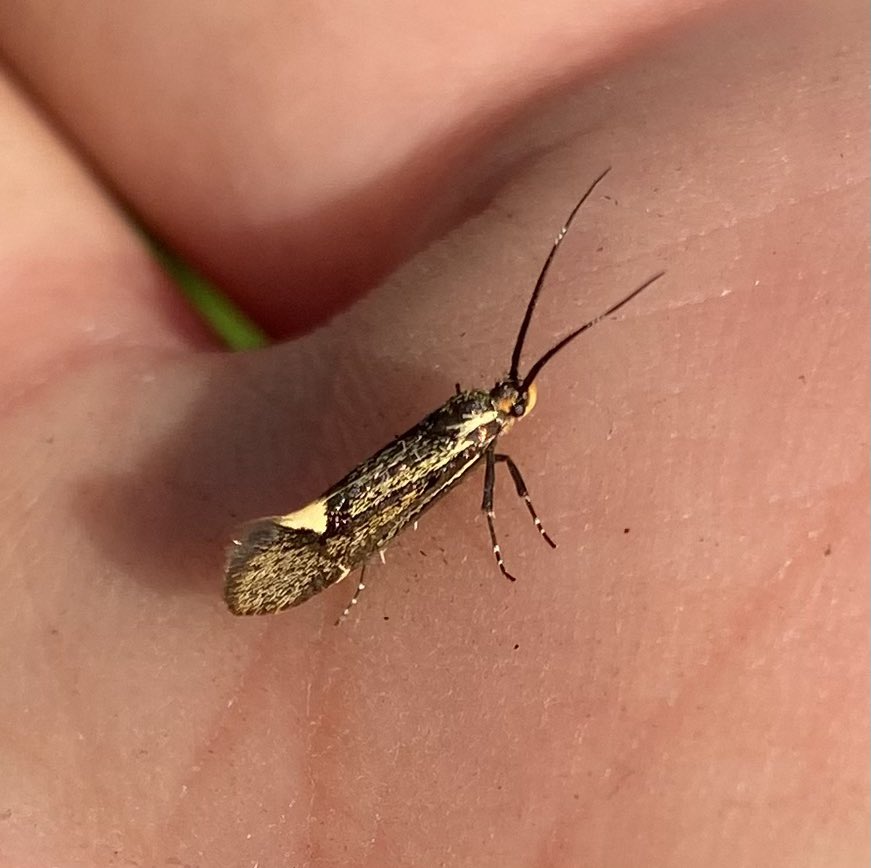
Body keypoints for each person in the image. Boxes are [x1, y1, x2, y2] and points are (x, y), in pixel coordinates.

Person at [0, 1, 866, 865]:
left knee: (370, 499)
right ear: (504, 410)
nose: (518, 407)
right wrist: (499, 531)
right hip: (349, 521)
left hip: (367, 490)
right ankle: (312, 547)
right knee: (372, 514)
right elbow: (451, 481)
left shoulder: (470, 416)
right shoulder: (478, 438)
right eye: (515, 404)